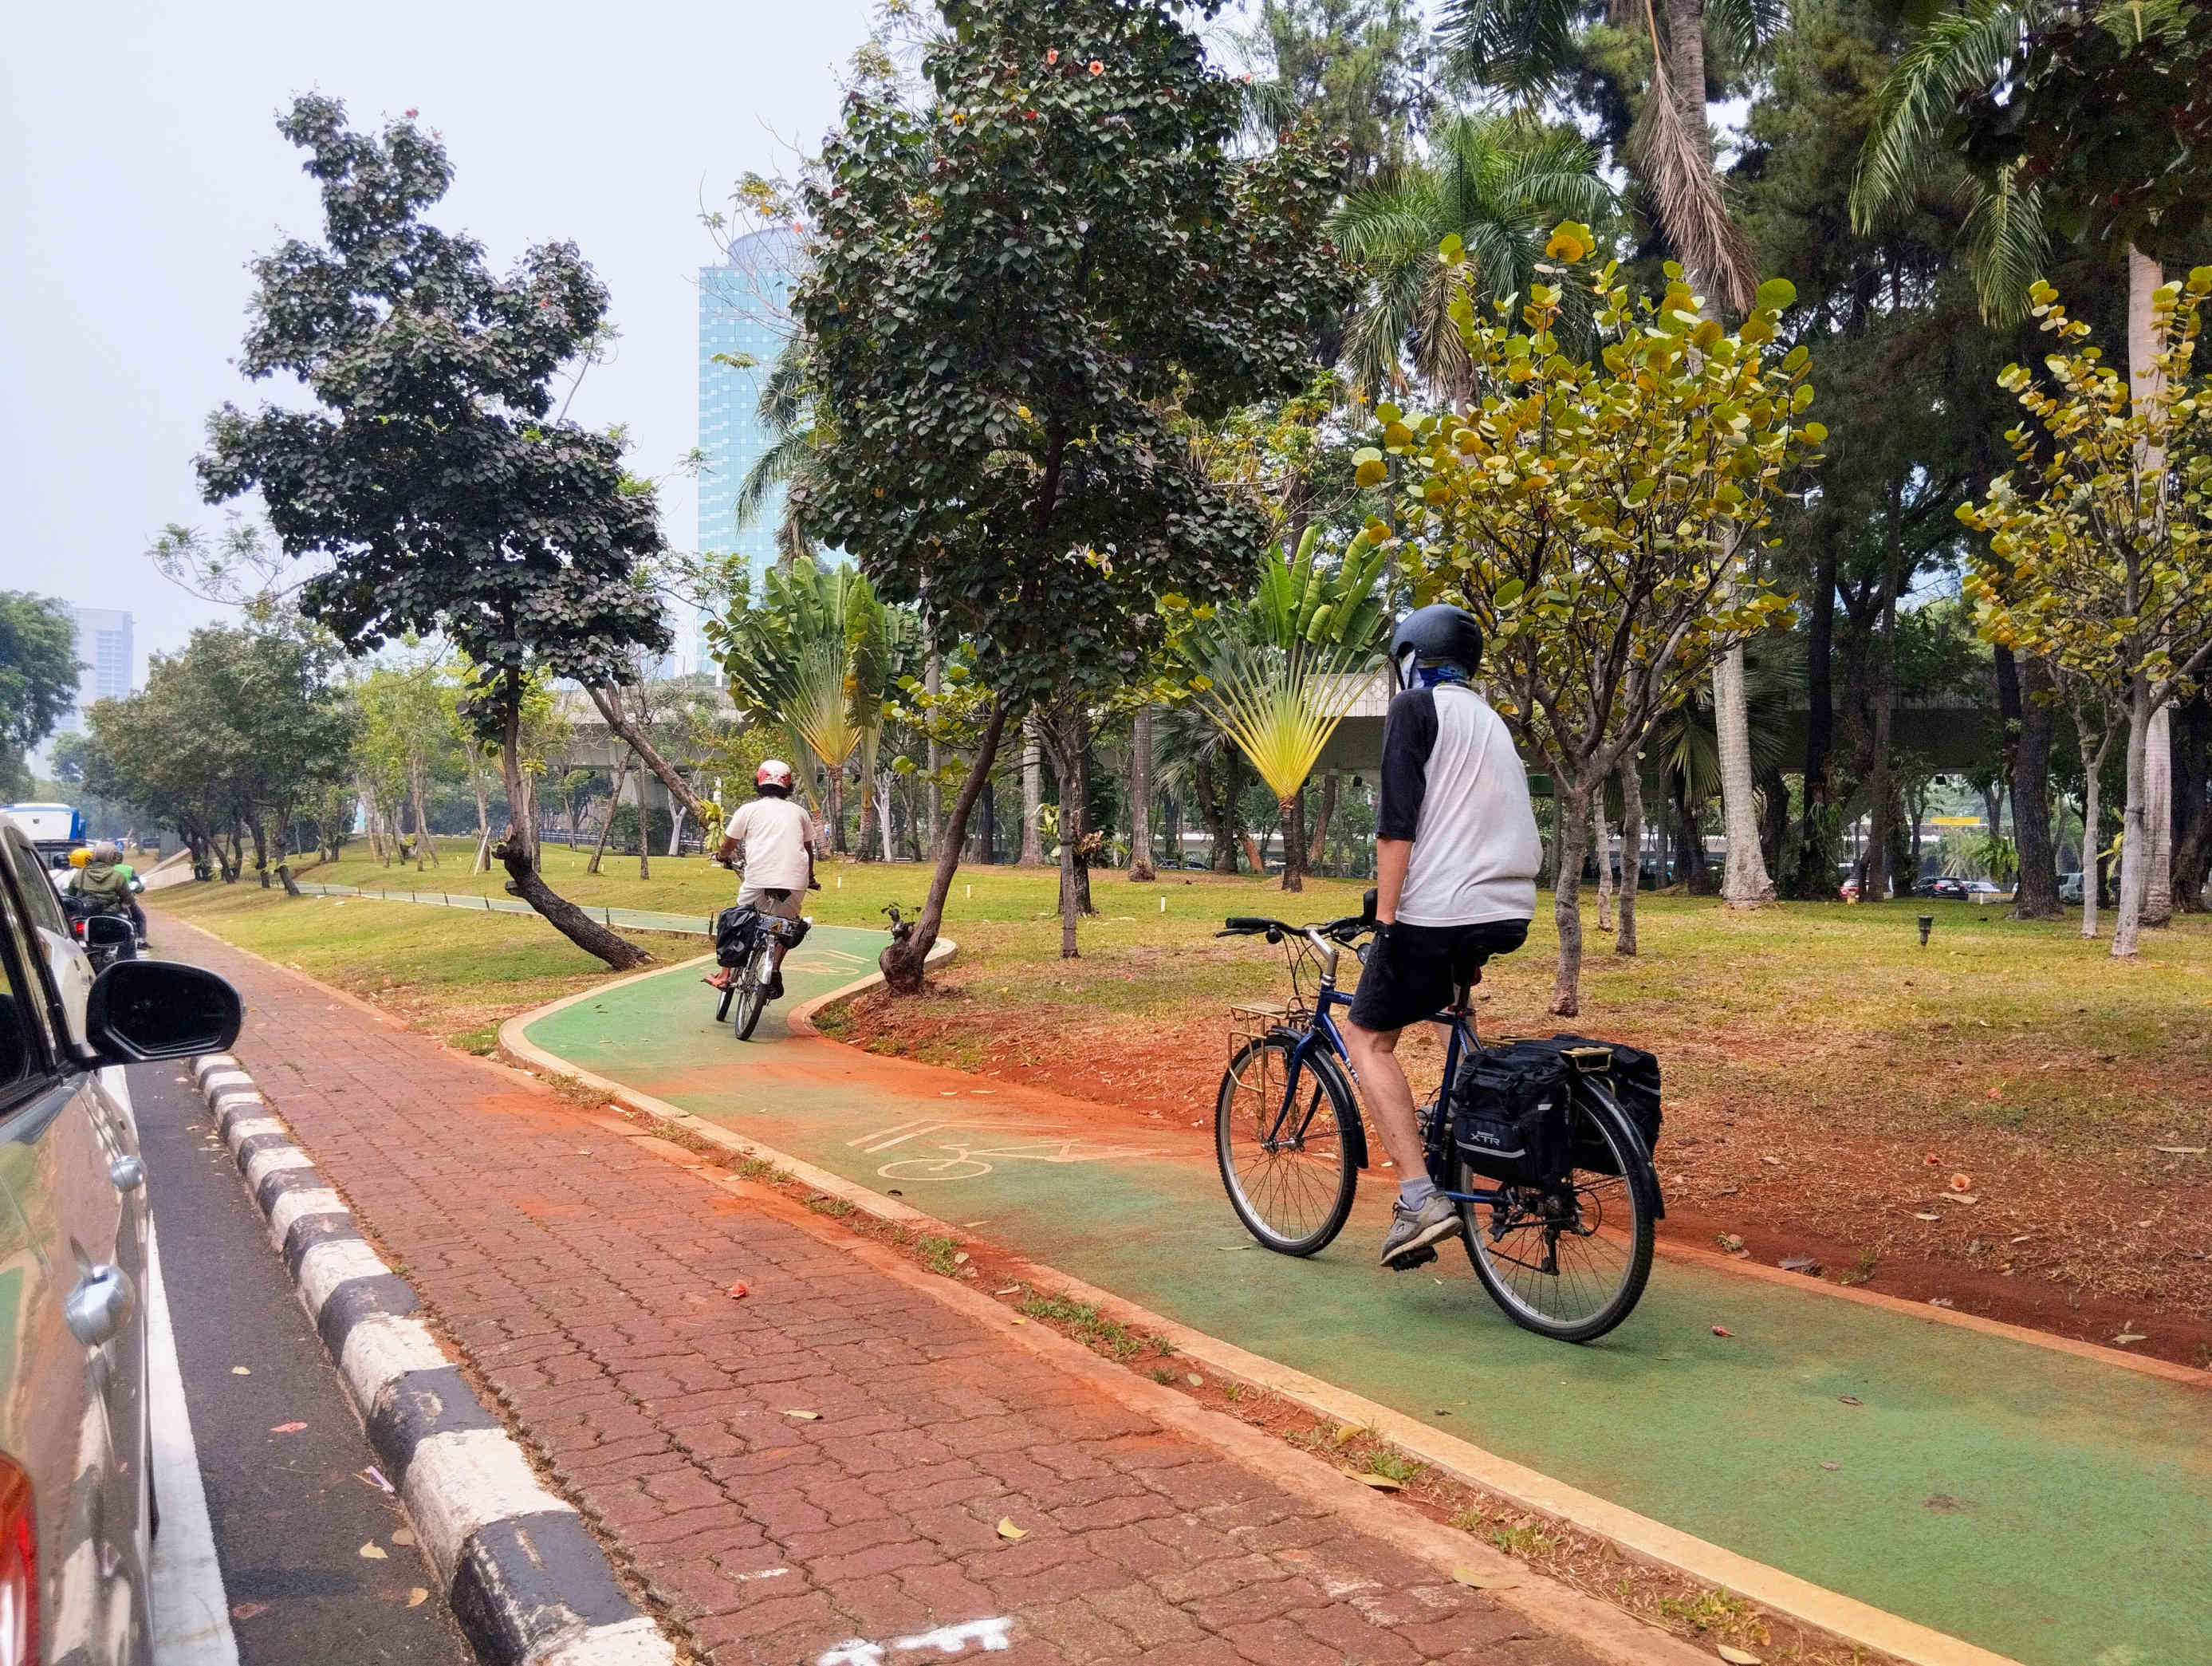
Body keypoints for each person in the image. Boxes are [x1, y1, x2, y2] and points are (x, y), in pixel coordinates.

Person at [1340, 606, 1543, 1269]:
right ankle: (1478, 1136)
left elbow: (1397, 824)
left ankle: (1419, 1197)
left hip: (1442, 909)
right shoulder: (1489, 720)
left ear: (1410, 658)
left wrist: (1385, 920)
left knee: (1367, 1038)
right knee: (1450, 1011)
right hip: (1508, 905)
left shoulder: (1415, 707)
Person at [707, 761, 819, 1000]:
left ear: (758, 783)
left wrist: (722, 856)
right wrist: (810, 878)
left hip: (758, 878)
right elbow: (808, 850)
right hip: (795, 880)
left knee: (736, 919)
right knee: (786, 925)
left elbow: (729, 844)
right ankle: (774, 970)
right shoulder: (800, 812)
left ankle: (725, 975)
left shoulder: (748, 810)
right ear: (788, 787)